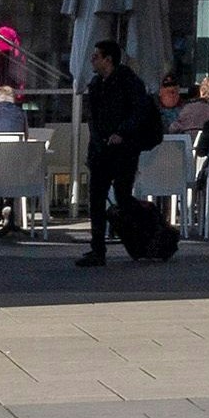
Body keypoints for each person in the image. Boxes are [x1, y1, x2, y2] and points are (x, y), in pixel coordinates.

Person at [77, 39, 164, 269]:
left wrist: (122, 133)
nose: (92, 60)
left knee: (122, 195)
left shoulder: (128, 82)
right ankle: (98, 249)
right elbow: (93, 120)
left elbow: (139, 112)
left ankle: (151, 226)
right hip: (102, 149)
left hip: (124, 149)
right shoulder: (96, 84)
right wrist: (96, 144)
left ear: (108, 60)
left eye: (96, 56)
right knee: (96, 198)